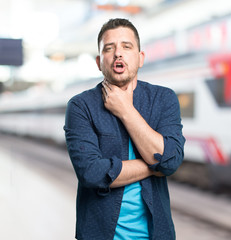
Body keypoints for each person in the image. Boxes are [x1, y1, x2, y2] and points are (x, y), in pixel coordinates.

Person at [64, 18, 185, 240]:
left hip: (156, 234)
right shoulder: (81, 106)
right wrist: (156, 164)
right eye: (109, 49)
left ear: (140, 58)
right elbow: (91, 173)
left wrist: (125, 110)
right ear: (99, 62)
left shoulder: (164, 99)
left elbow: (172, 160)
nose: (118, 53)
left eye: (126, 46)